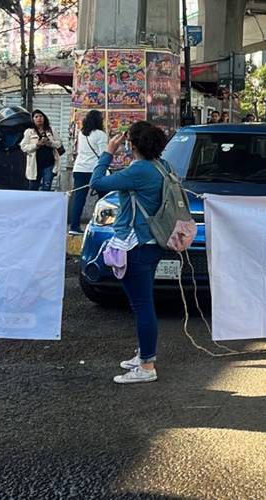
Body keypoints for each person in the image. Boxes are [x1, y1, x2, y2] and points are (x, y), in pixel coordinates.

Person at [89, 121, 172, 385]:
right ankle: (143, 356)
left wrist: (108, 151)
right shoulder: (162, 166)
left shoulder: (139, 171)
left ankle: (147, 365)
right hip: (154, 242)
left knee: (142, 306)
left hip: (136, 244)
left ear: (132, 145)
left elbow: (97, 182)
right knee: (143, 303)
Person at [69, 110, 108, 234]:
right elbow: (103, 155)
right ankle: (103, 223)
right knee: (105, 198)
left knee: (79, 199)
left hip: (79, 168)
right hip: (95, 170)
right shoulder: (101, 135)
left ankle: (74, 227)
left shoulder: (81, 133)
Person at [22, 110, 63, 191]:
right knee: (33, 187)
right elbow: (23, 147)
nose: (39, 118)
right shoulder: (29, 132)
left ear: (44, 118)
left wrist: (50, 143)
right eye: (36, 117)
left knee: (46, 187)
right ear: (33, 119)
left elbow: (59, 143)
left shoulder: (51, 130)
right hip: (35, 164)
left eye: (41, 116)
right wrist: (37, 145)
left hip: (49, 164)